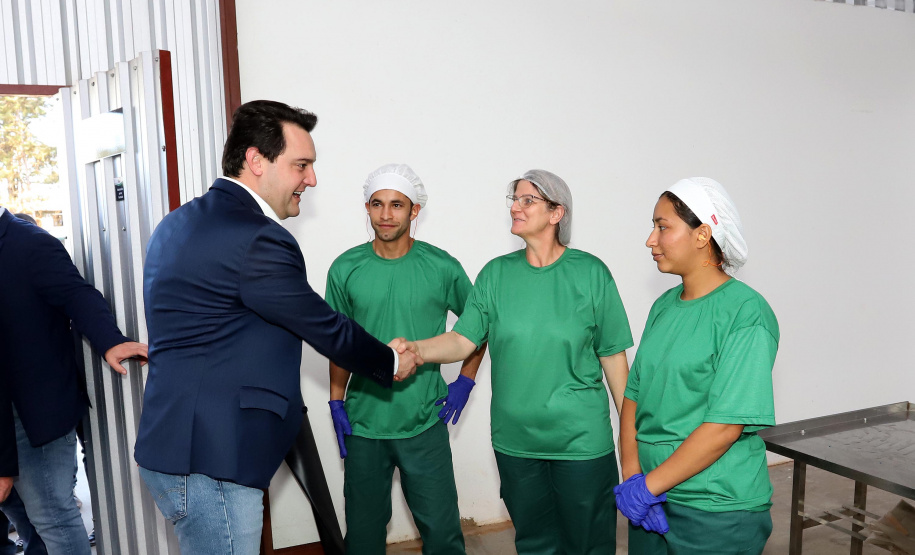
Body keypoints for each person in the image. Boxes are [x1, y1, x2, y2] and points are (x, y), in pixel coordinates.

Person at [134, 100, 421, 554]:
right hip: (213, 457)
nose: (311, 179)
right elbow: (321, 324)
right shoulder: (257, 237)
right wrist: (390, 360)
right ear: (256, 161)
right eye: (301, 165)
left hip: (178, 445)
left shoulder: (179, 221)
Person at [395, 170, 633, 554]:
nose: (515, 208)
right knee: (535, 544)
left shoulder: (591, 274)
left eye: (527, 200)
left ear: (556, 213)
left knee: (589, 546)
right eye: (514, 199)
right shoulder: (496, 275)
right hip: (516, 444)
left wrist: (633, 443)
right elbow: (463, 340)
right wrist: (417, 350)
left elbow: (615, 363)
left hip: (581, 444)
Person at [326, 164, 486, 553]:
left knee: (443, 536)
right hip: (365, 426)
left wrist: (465, 381)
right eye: (377, 204)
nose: (385, 215)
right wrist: (336, 400)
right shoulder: (345, 268)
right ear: (367, 207)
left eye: (397, 205)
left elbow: (479, 327)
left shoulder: (442, 267)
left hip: (424, 422)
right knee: (362, 539)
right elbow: (338, 344)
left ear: (414, 210)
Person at [615, 177, 778, 554]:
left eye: (662, 227)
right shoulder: (663, 307)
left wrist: (648, 486)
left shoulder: (745, 313)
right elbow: (634, 396)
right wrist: (633, 477)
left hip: (715, 510)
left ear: (703, 234)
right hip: (650, 501)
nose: (650, 240)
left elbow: (724, 427)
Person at [0, 209, 147, 555]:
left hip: (32, 415)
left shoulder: (30, 243)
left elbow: (77, 295)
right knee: (20, 510)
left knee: (52, 515)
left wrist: (110, 341)